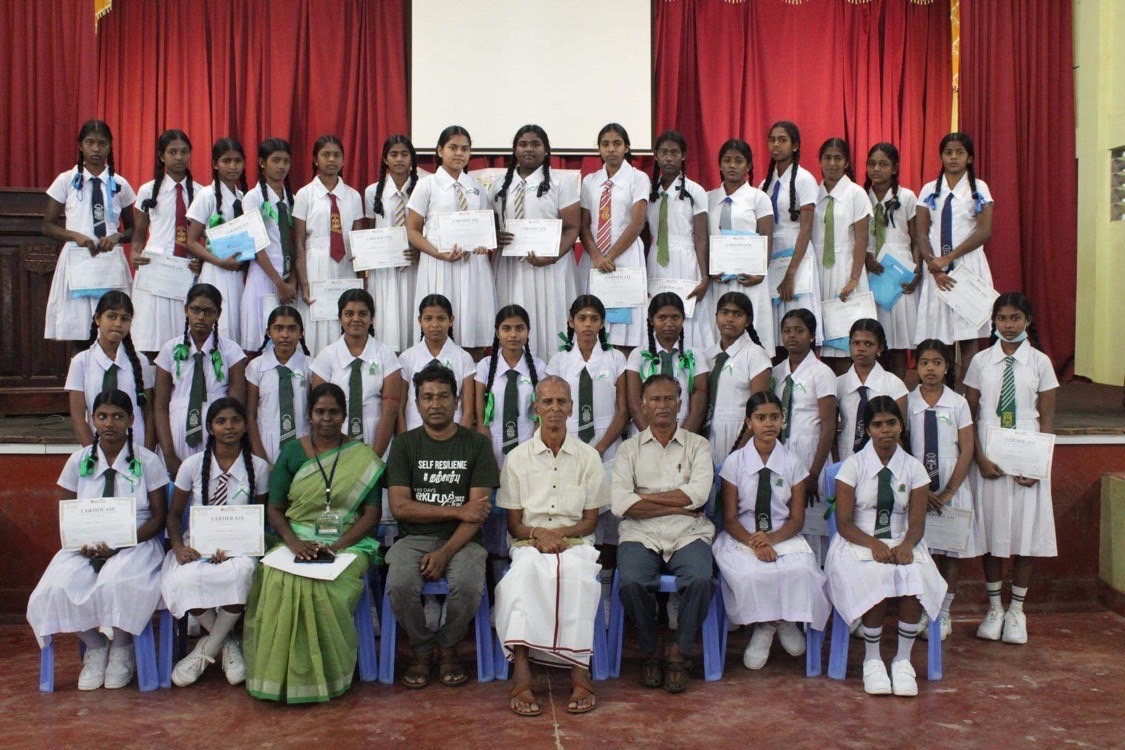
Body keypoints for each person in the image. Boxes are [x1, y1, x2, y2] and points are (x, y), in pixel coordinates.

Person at [242, 383, 384, 703]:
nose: (327, 419)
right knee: (277, 578)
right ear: (309, 415)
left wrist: (337, 546)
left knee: (325, 586)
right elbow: (275, 508)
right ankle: (279, 678)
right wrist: (293, 543)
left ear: (344, 415)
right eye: (320, 412)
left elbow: (372, 514)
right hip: (297, 538)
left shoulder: (363, 457)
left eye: (334, 412)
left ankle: (330, 674)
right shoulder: (292, 452)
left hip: (348, 543)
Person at [26, 390, 168, 690]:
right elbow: (67, 512)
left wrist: (124, 541)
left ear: (131, 420)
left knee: (116, 581)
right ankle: (96, 645)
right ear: (92, 420)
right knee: (57, 586)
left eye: (117, 416)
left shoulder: (148, 461)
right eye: (102, 416)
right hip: (86, 545)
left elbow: (159, 517)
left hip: (135, 542)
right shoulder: (78, 461)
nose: (109, 423)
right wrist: (80, 541)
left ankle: (122, 647)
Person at [494, 377, 607, 716]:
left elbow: (590, 521)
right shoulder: (517, 458)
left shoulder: (588, 457)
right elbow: (514, 524)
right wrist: (539, 535)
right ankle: (522, 673)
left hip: (575, 541)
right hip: (529, 541)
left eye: (561, 402)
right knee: (523, 576)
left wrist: (559, 536)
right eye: (547, 402)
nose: (555, 408)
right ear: (536, 409)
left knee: (578, 575)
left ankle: (580, 673)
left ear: (572, 408)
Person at [824, 396, 948, 697]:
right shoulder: (852, 466)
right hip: (859, 538)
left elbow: (917, 523)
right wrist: (874, 544)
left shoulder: (914, 468)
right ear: (868, 429)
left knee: (914, 575)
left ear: (901, 426)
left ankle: (903, 660)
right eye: (877, 424)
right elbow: (844, 523)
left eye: (891, 423)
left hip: (903, 537)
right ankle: (873, 659)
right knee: (876, 575)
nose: (885, 430)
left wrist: (907, 545)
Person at [384, 363, 498, 688]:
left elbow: (477, 514)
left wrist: (446, 552)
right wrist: (457, 510)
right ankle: (421, 648)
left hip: (463, 542)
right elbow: (400, 507)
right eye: (428, 397)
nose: (435, 404)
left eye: (443, 396)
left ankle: (448, 646)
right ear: (417, 403)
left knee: (469, 584)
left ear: (456, 401)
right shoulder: (404, 445)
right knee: (399, 583)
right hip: (413, 538)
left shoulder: (477, 445)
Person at [612, 374, 715, 693]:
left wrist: (644, 499)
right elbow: (621, 504)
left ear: (680, 404)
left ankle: (679, 650)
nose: (663, 405)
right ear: (643, 405)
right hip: (640, 533)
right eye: (655, 399)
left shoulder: (698, 445)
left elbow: (698, 495)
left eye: (669, 398)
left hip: (688, 532)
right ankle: (650, 647)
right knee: (631, 582)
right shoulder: (628, 449)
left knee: (701, 579)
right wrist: (678, 504)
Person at [964, 293, 1057, 644]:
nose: (1008, 324)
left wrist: (1038, 465)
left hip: (1027, 461)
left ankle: (1017, 610)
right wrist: (980, 458)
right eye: (1002, 318)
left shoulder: (1040, 363)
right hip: (990, 458)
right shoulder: (981, 362)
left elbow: (1047, 419)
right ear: (993, 321)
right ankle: (994, 608)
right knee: (992, 534)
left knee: (1023, 535)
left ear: (1027, 321)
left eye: (1015, 318)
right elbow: (969, 415)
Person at [712, 393, 831, 669]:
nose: (769, 424)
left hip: (782, 534)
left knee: (802, 570)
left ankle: (771, 625)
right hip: (743, 535)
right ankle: (773, 624)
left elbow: (797, 519)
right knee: (751, 573)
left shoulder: (792, 463)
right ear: (749, 422)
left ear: (782, 420)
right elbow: (729, 518)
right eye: (761, 418)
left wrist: (772, 540)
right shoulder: (735, 462)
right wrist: (756, 543)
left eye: (775, 417)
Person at [160, 398, 270, 687]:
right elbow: (174, 515)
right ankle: (227, 642)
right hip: (197, 545)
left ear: (245, 426)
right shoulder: (192, 465)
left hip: (241, 547)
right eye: (221, 421)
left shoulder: (258, 467)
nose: (229, 426)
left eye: (235, 420)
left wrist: (237, 547)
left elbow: (261, 518)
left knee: (242, 573)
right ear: (210, 427)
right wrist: (178, 548)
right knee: (185, 579)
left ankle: (207, 649)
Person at [907, 339, 977, 640]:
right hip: (919, 487)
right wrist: (920, 492)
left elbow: (967, 448)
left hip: (953, 484)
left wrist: (949, 491)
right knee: (925, 551)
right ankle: (927, 607)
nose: (930, 369)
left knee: (950, 552)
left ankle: (944, 611)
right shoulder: (909, 402)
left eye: (937, 362)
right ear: (917, 367)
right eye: (924, 363)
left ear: (947, 367)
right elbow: (904, 447)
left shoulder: (958, 403)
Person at [406, 125, 497, 354]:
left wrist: (483, 244)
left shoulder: (476, 186)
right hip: (439, 264)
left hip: (472, 266)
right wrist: (438, 253)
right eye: (453, 147)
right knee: (439, 325)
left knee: (472, 326)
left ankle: (470, 371)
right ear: (440, 150)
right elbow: (412, 230)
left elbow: (485, 227)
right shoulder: (426, 185)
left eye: (465, 149)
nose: (459, 153)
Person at [42, 119, 136, 341]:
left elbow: (132, 229)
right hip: (78, 262)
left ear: (110, 146)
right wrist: (75, 235)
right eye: (90, 143)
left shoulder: (119, 184)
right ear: (80, 145)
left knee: (114, 330)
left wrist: (117, 236)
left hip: (109, 263)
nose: (96, 149)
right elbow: (47, 225)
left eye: (102, 143)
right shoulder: (66, 180)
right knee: (80, 332)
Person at [493, 125, 580, 358]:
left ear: (546, 149)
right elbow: (490, 225)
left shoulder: (561, 182)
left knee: (550, 317)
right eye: (523, 144)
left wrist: (551, 257)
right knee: (513, 315)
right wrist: (495, 236)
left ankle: (554, 368)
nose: (529, 149)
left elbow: (572, 227)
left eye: (535, 144)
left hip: (551, 266)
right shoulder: (500, 183)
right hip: (511, 267)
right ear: (514, 150)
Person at [913, 132, 995, 380]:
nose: (953, 157)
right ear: (941, 157)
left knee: (968, 336)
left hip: (966, 266)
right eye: (948, 152)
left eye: (960, 152)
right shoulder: (929, 189)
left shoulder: (979, 188)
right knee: (940, 337)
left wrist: (948, 259)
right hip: (935, 268)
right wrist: (935, 266)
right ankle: (944, 393)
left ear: (969, 158)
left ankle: (969, 394)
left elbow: (984, 231)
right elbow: (921, 233)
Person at [153, 283, 247, 477]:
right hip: (176, 434)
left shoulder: (231, 351)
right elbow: (160, 405)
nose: (201, 317)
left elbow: (236, 405)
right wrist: (169, 453)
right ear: (186, 309)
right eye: (195, 310)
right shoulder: (170, 349)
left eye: (208, 311)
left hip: (216, 434)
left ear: (218, 314)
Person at [130, 129, 202, 357]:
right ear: (161, 156)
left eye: (184, 152)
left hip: (187, 270)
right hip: (155, 270)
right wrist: (135, 253)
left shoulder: (201, 192)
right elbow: (139, 235)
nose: (179, 157)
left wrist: (202, 259)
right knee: (152, 338)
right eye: (172, 152)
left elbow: (209, 237)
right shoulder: (147, 190)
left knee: (185, 339)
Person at [578, 123, 650, 350]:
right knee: (592, 317)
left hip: (624, 255)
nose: (611, 149)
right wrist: (597, 257)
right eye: (605, 144)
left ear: (626, 147)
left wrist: (609, 256)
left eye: (617, 144)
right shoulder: (590, 181)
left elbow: (637, 223)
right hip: (594, 257)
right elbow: (584, 225)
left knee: (624, 323)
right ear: (599, 149)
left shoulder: (638, 178)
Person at [772, 309, 837, 558]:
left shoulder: (822, 373)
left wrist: (814, 473)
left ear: (811, 335)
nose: (792, 336)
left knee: (813, 523)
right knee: (783, 511)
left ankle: (817, 568)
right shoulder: (777, 372)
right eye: (787, 331)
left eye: (799, 331)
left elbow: (828, 425)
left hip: (811, 452)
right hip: (782, 450)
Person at [293, 134, 365, 355]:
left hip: (345, 265)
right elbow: (298, 242)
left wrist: (362, 277)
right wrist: (303, 282)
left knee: (342, 317)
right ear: (315, 159)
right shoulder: (305, 194)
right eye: (325, 155)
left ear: (343, 160)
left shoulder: (353, 196)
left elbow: (358, 239)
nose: (331, 159)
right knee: (317, 320)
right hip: (315, 264)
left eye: (336, 155)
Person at [310, 288, 401, 458]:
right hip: (335, 435)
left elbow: (390, 411)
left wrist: (374, 458)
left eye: (363, 314)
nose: (356, 319)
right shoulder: (326, 356)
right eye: (349, 313)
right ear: (340, 318)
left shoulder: (386, 354)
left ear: (371, 318)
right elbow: (320, 412)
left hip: (378, 435)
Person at [703, 139, 775, 352]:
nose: (732, 165)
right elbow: (702, 238)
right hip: (719, 279)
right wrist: (708, 270)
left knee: (752, 335)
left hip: (749, 279)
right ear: (719, 164)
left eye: (738, 161)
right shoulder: (708, 198)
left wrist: (760, 272)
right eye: (727, 160)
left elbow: (767, 236)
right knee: (719, 334)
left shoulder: (758, 198)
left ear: (748, 165)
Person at [645, 130, 712, 351]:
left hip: (686, 258)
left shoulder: (695, 190)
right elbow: (643, 235)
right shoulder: (649, 191)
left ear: (683, 155)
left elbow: (701, 237)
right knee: (657, 311)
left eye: (674, 153)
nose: (668, 158)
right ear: (656, 155)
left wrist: (705, 277)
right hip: (656, 258)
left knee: (686, 315)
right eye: (664, 152)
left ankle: (689, 360)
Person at [67, 290, 154, 450]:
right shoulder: (81, 362)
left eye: (125, 319)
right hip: (96, 448)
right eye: (112, 316)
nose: (118, 324)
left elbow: (148, 413)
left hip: (136, 448)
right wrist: (94, 454)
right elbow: (78, 417)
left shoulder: (140, 361)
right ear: (97, 319)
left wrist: (147, 453)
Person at [184, 138, 249, 344]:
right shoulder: (206, 195)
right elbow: (191, 241)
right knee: (220, 324)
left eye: (237, 161)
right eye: (226, 161)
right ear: (215, 164)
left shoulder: (244, 197)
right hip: (216, 270)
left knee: (237, 325)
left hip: (239, 271)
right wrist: (219, 261)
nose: (233, 166)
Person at [814, 138, 872, 365]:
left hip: (846, 268)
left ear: (846, 162)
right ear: (820, 161)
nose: (832, 163)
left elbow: (861, 240)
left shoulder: (856, 193)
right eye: (827, 158)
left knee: (845, 337)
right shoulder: (813, 193)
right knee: (821, 336)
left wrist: (854, 279)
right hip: (818, 269)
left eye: (838, 158)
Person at [864, 143, 920, 378]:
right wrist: (866, 257)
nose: (876, 169)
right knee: (872, 338)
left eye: (883, 164)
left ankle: (897, 391)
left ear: (895, 168)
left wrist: (917, 273)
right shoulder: (861, 196)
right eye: (872, 164)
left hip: (899, 274)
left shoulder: (906, 197)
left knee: (898, 341)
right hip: (870, 272)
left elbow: (917, 239)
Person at [759, 121, 818, 342]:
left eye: (782, 140)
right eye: (772, 140)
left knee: (798, 316)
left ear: (795, 146)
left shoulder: (805, 179)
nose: (776, 145)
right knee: (775, 322)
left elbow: (806, 229)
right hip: (772, 252)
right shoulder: (765, 184)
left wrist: (790, 274)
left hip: (797, 252)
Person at [364, 134, 420, 353]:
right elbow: (369, 231)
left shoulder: (422, 187)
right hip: (384, 270)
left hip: (414, 267)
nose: (399, 159)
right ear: (385, 159)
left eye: (404, 154)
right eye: (394, 154)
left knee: (413, 318)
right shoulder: (372, 191)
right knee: (386, 324)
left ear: (412, 158)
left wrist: (420, 252)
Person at [240, 138, 297, 352]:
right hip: (264, 275)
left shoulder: (292, 198)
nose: (282, 166)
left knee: (286, 343)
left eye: (286, 161)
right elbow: (256, 245)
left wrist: (291, 280)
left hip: (288, 280)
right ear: (262, 163)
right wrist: (278, 282)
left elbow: (295, 242)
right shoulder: (253, 198)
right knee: (260, 342)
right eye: (276, 160)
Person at [625, 292, 711, 433]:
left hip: (684, 433)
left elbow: (699, 406)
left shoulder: (695, 355)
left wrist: (683, 438)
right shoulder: (638, 355)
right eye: (662, 318)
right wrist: (651, 438)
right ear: (651, 320)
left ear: (683, 319)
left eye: (675, 317)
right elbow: (634, 403)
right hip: (643, 434)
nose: (669, 324)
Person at [704, 292, 772, 468]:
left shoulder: (755, 354)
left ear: (748, 321)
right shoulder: (708, 355)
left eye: (737, 314)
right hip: (709, 433)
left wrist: (740, 450)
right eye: (724, 312)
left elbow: (759, 408)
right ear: (716, 316)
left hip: (740, 434)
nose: (729, 319)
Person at [397, 294, 476, 431]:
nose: (435, 325)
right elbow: (400, 409)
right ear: (419, 321)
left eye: (441, 319)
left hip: (453, 436)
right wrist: (405, 440)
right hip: (414, 435)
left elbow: (468, 411)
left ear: (451, 320)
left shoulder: (463, 358)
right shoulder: (407, 358)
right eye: (428, 319)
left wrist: (459, 440)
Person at [246, 305, 312, 464]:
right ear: (268, 332)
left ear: (301, 333)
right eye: (278, 328)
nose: (285, 335)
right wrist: (261, 459)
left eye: (292, 329)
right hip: (265, 444)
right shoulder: (256, 367)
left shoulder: (311, 366)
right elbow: (250, 416)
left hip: (303, 443)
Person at [836, 318, 908, 462]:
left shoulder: (895, 385)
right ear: (849, 345)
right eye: (856, 343)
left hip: (884, 460)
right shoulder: (838, 384)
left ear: (879, 348)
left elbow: (899, 433)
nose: (861, 348)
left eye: (868, 344)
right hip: (845, 457)